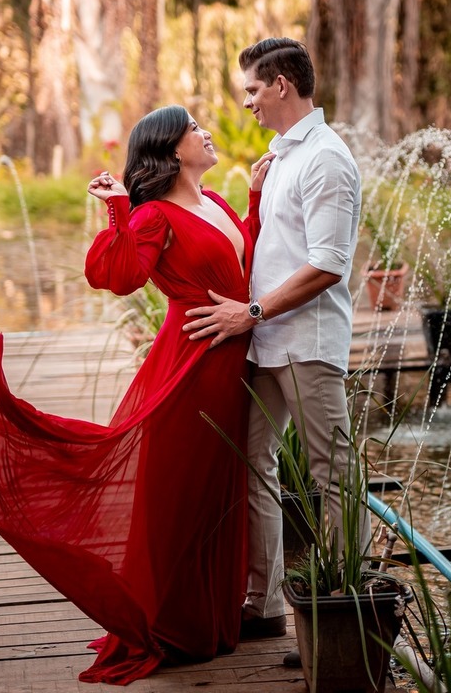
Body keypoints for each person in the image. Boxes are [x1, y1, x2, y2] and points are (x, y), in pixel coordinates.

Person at [0, 105, 269, 685]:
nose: (207, 131)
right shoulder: (154, 216)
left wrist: (257, 203)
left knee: (220, 494)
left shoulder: (214, 202)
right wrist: (119, 207)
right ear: (169, 151)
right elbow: (118, 277)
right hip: (190, 366)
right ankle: (169, 625)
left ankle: (213, 621)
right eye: (195, 128)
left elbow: (247, 265)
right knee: (180, 495)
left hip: (233, 361)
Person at [183, 37, 365, 645]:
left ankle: (341, 613)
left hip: (307, 343)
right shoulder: (284, 155)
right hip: (264, 341)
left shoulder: (327, 160)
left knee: (331, 474)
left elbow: (328, 265)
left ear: (282, 85)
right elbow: (269, 242)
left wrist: (250, 312)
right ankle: (262, 605)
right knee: (251, 465)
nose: (247, 103)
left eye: (253, 90)